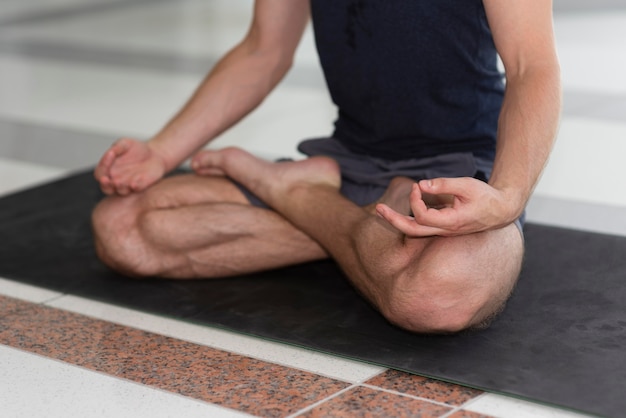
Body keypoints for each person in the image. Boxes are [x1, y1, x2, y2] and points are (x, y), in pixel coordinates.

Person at [92, 0, 561, 334]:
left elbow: (531, 66)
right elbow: (263, 50)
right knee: (122, 230)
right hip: (348, 156)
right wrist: (161, 151)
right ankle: (373, 233)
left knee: (436, 296)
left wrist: (507, 196)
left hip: (458, 164)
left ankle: (302, 197)